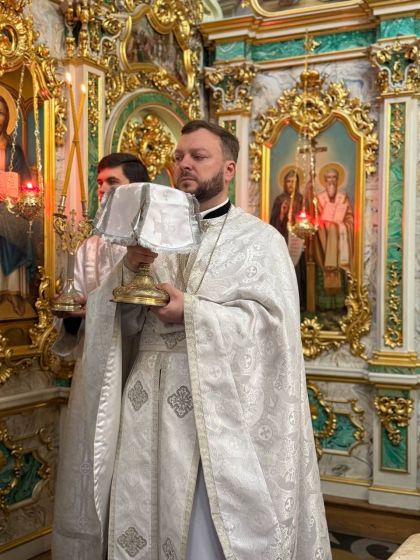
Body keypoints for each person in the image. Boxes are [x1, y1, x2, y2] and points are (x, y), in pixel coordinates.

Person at [52, 121, 331, 560]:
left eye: (198, 157)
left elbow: (272, 329)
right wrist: (128, 270)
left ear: (228, 169)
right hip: (145, 405)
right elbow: (122, 322)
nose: (185, 164)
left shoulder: (260, 241)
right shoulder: (150, 237)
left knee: (202, 533)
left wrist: (193, 312)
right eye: (179, 157)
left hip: (215, 416)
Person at [52, 152, 150, 358]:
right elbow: (76, 298)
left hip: (138, 353)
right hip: (95, 353)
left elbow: (152, 310)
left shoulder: (152, 242)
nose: (102, 189)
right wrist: (69, 311)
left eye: (112, 182)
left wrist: (93, 310)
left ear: (135, 188)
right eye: (99, 182)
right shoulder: (89, 246)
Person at [0, 94, 35, 316]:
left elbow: (25, 180)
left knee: (14, 229)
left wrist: (16, 192)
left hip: (11, 207)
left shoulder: (15, 149)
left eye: (1, 113)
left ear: (7, 117)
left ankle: (13, 292)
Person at [314, 165, 354, 310]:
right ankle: (323, 305)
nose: (331, 181)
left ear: (338, 180)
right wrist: (325, 225)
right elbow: (315, 220)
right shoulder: (319, 198)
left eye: (334, 178)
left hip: (340, 245)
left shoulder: (343, 198)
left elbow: (350, 219)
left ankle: (339, 304)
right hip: (323, 242)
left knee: (340, 272)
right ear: (325, 181)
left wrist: (342, 225)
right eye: (328, 178)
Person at [270, 169, 306, 309]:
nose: (291, 184)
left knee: (298, 272)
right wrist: (281, 213)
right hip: (283, 242)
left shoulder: (301, 199)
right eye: (288, 181)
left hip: (297, 241)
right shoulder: (280, 200)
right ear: (285, 183)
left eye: (294, 181)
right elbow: (273, 222)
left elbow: (305, 219)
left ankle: (300, 302)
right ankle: (284, 303)